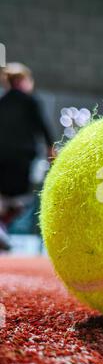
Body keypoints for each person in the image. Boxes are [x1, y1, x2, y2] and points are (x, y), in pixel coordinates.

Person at [0, 62, 54, 250]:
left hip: (2, 156)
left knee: (5, 196)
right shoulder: (31, 102)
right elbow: (43, 127)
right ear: (23, 81)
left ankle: (2, 228)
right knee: (22, 199)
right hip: (22, 156)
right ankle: (2, 227)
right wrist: (51, 149)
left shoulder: (2, 101)